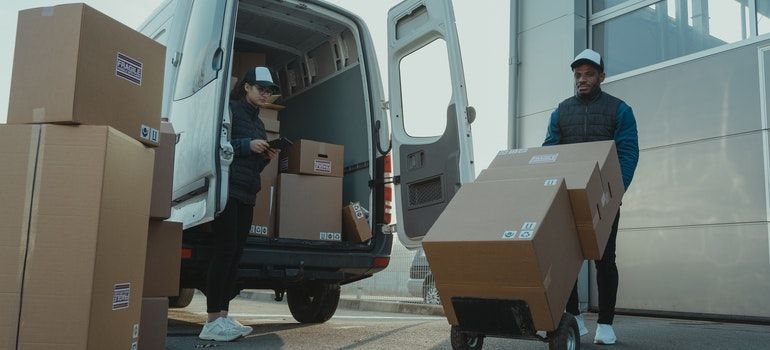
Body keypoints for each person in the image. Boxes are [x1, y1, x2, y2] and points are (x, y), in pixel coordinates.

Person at [543, 49, 639, 345]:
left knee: (604, 259)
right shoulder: (561, 111)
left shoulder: (619, 110)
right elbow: (550, 150)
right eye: (578, 75)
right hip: (567, 198)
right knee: (567, 259)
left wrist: (617, 191)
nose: (582, 80)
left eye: (588, 74)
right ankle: (574, 317)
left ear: (601, 76)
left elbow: (628, 152)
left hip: (604, 199)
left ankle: (606, 324)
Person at [198, 66, 281, 342]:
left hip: (247, 192)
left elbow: (250, 165)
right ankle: (211, 320)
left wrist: (263, 157)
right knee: (223, 251)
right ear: (246, 86)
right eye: (260, 89)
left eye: (268, 91)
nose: (265, 95)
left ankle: (222, 316)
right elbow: (215, 145)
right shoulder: (230, 110)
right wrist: (248, 145)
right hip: (227, 190)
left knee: (235, 254)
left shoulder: (259, 123)